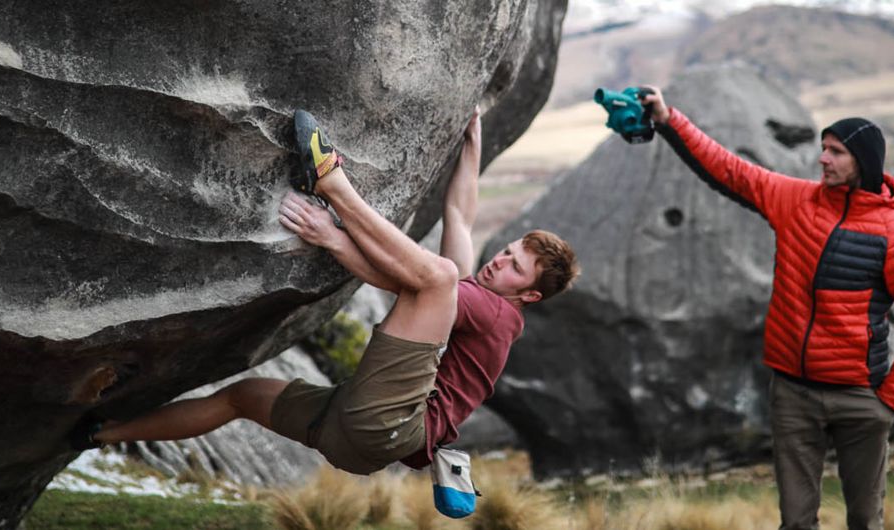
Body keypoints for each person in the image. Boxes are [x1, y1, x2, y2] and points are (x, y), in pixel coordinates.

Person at [71, 109, 579, 475]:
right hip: (354, 439)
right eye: (509, 251)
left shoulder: (498, 316)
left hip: (389, 424)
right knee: (241, 398)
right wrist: (472, 142)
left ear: (529, 296)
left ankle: (332, 182)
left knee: (439, 276)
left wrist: (331, 235)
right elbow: (460, 218)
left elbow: (410, 281)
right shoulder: (480, 297)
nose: (501, 261)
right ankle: (96, 435)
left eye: (516, 268)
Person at [636, 86, 894, 530]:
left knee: (864, 520)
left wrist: (891, 397)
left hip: (861, 397)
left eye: (836, 152)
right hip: (793, 394)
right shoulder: (795, 201)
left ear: (864, 162)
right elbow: (728, 170)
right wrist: (667, 119)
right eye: (823, 149)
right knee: (796, 523)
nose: (823, 159)